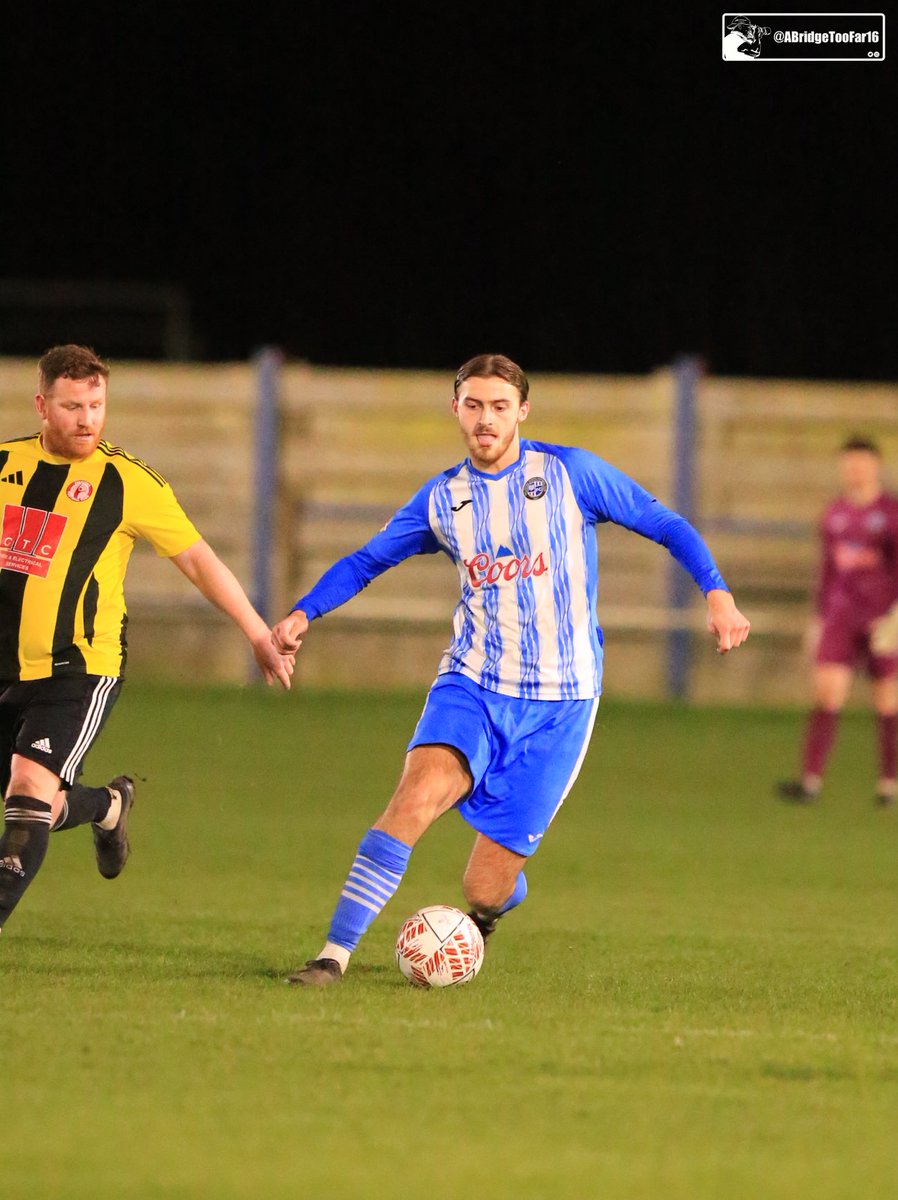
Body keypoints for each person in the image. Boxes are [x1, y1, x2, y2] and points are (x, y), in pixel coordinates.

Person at [272, 353, 750, 986]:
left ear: (522, 411)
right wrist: (305, 613)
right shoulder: (443, 499)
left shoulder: (571, 473)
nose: (486, 419)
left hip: (562, 704)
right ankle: (332, 957)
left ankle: (490, 911)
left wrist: (716, 592)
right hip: (472, 683)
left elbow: (664, 522)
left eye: (500, 406)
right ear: (456, 410)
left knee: (485, 887)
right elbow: (366, 561)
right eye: (473, 405)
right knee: (412, 801)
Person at [0, 344, 294, 934]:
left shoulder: (126, 481)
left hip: (79, 669)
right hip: (7, 668)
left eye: (96, 405)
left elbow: (197, 560)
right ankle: (108, 806)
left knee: (29, 791)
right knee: (38, 800)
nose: (86, 419)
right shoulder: (5, 465)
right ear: (41, 405)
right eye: (71, 406)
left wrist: (258, 633)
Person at [777, 436, 898, 807]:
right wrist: (819, 619)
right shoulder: (834, 514)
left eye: (861, 462)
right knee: (827, 694)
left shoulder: (892, 514)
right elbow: (828, 572)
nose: (855, 470)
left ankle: (888, 784)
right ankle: (810, 782)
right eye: (848, 463)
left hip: (883, 619)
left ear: (876, 466)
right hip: (841, 617)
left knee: (886, 699)